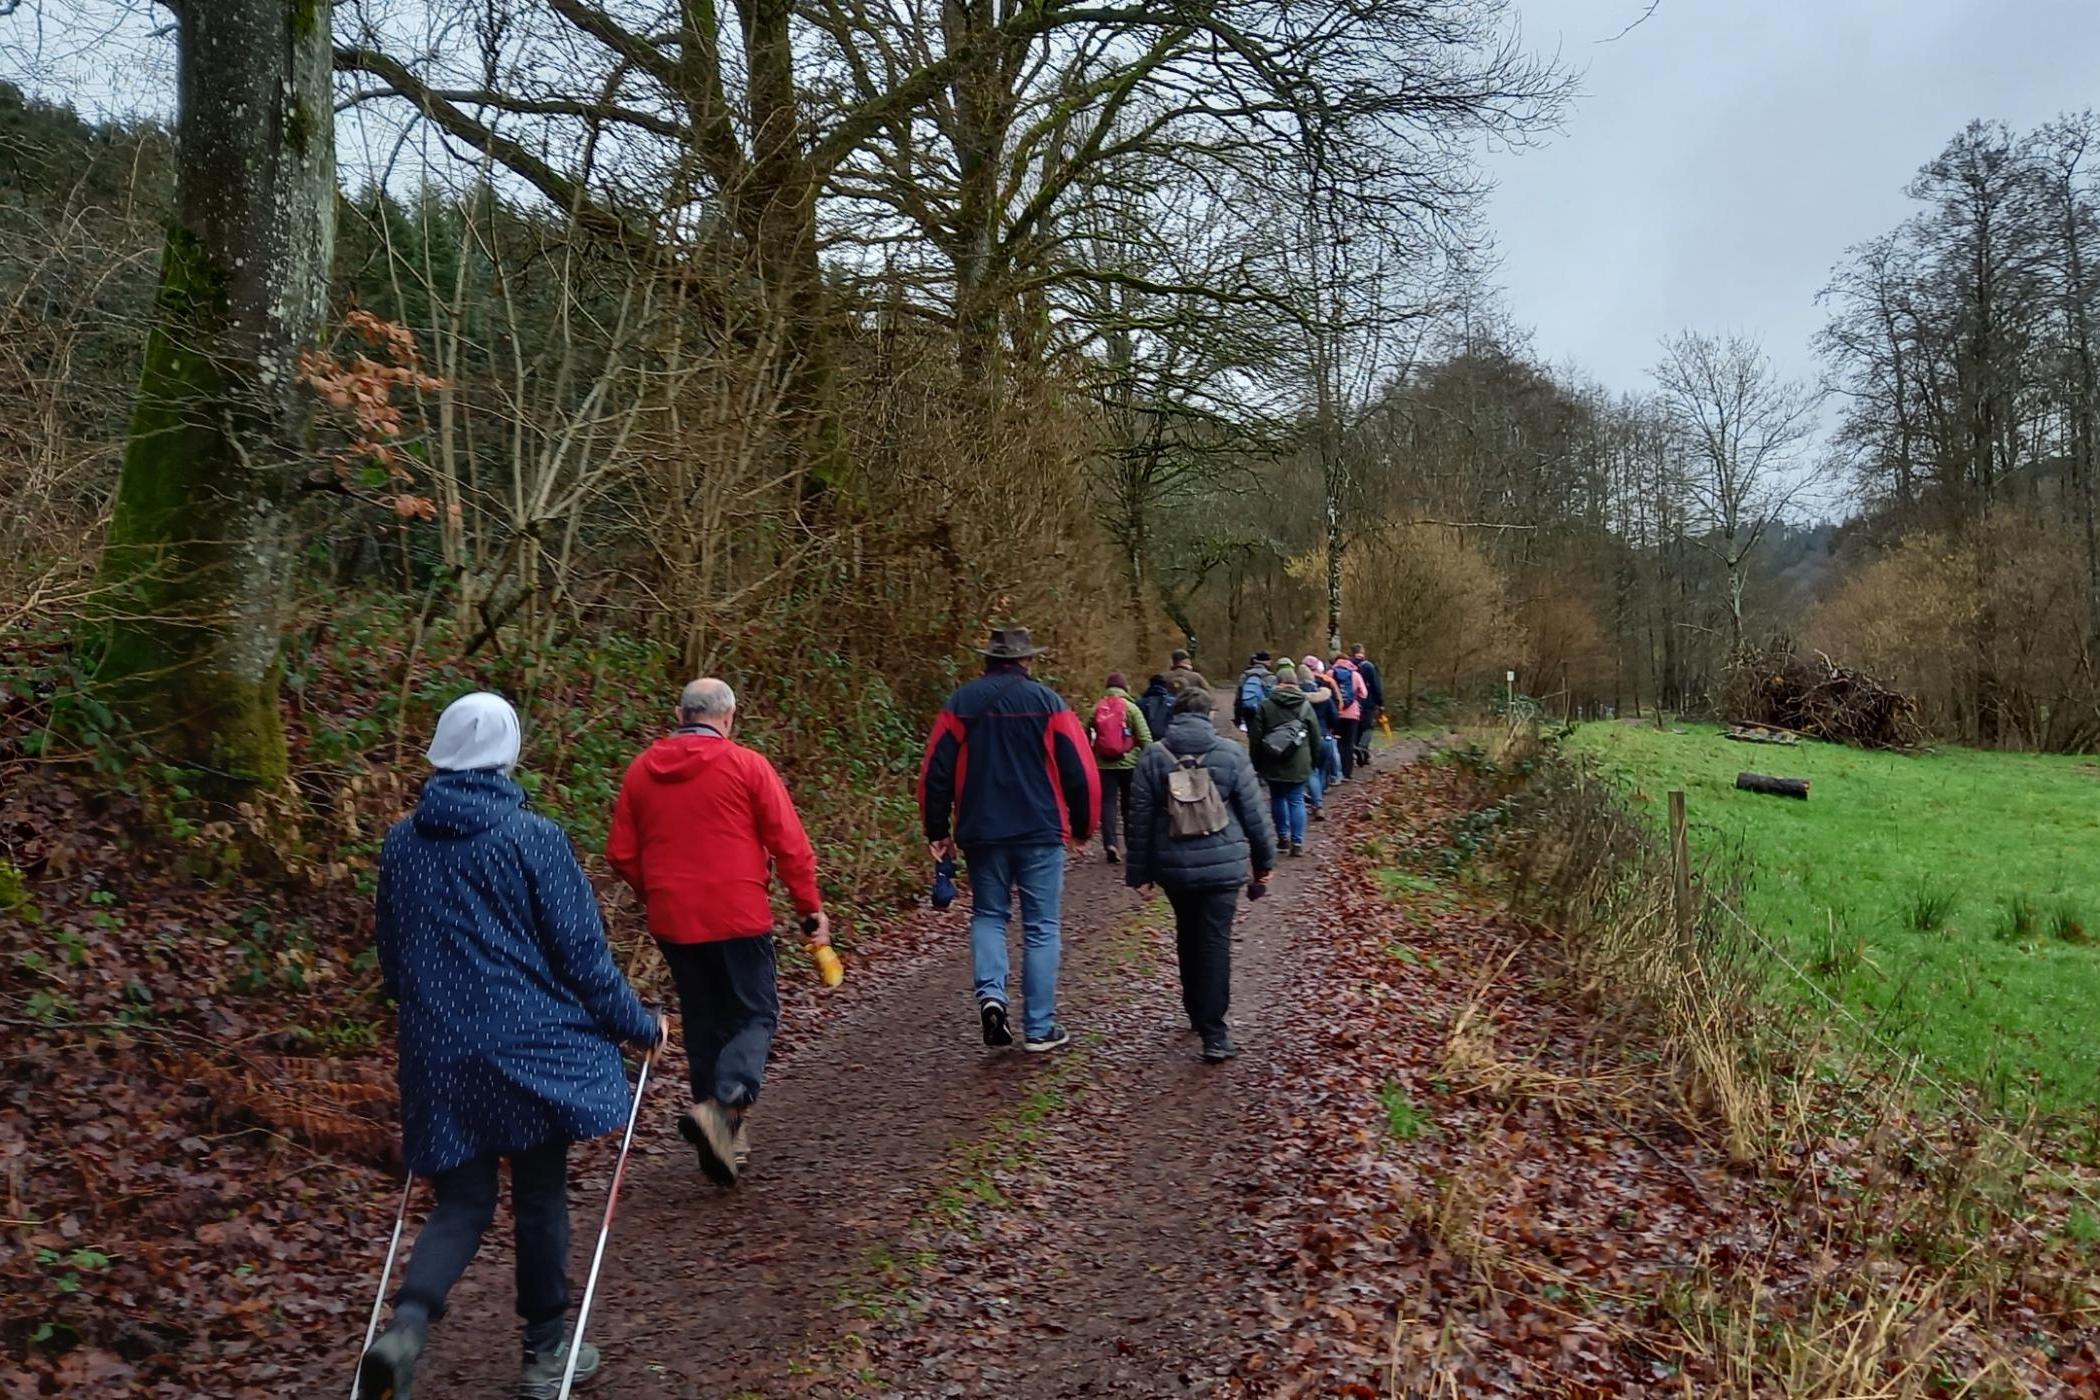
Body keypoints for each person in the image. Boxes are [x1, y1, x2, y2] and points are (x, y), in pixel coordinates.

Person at [360, 693, 665, 1400]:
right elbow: (582, 957)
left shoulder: (402, 843)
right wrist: (640, 1025)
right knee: (539, 1195)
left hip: (438, 1050)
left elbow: (394, 962)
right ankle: (545, 1353)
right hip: (530, 1048)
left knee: (462, 1202)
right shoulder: (532, 838)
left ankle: (406, 1328)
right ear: (507, 753)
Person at [606, 678, 827, 1186]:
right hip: (738, 912)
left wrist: (656, 890)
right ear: (728, 718)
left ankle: (721, 1139)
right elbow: (790, 845)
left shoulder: (641, 771)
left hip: (674, 918)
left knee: (705, 1022)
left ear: (680, 714)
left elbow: (620, 853)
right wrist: (809, 909)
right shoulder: (747, 766)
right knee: (755, 1013)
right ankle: (725, 1103)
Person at [920, 625, 1099, 1053]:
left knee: (989, 915)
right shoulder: (1049, 703)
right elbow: (1081, 771)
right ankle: (1039, 1027)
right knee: (1041, 926)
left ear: (988, 660)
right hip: (1041, 830)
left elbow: (935, 772)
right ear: (1027, 661)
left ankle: (992, 997)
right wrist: (1084, 827)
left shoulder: (960, 704)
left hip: (982, 830)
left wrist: (937, 829)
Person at [1124, 688, 1276, 1062]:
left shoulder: (1153, 756)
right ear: (1208, 715)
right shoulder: (1231, 753)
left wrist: (1139, 873)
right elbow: (1255, 815)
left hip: (1174, 866)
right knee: (1214, 941)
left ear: (1174, 716)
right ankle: (1215, 1033)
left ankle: (1196, 1011)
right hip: (1224, 865)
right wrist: (1264, 863)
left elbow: (1139, 819)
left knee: (1188, 934)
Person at [1248, 667, 1322, 857]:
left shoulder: (1266, 705)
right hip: (1299, 760)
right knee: (1296, 800)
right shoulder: (1305, 705)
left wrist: (1256, 763)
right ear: (1296, 683)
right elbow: (1315, 737)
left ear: (1278, 682)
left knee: (1278, 798)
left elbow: (1255, 737)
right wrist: (1313, 761)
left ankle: (1283, 837)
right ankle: (1297, 843)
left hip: (1272, 758)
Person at [1086, 671, 1154, 864]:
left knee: (1108, 804)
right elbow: (1145, 738)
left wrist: (1092, 756)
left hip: (1103, 765)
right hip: (1129, 764)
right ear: (1125, 687)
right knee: (1129, 804)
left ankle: (1110, 843)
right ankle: (1131, 844)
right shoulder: (1131, 708)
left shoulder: (1096, 708)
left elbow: (1084, 735)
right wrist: (1150, 761)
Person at [1300, 655, 1341, 819]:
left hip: (1308, 738)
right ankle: (1319, 796)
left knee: (1311, 771)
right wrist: (1330, 729)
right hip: (1325, 737)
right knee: (1322, 769)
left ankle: (1317, 803)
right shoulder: (1324, 696)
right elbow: (1335, 717)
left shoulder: (1298, 698)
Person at [1329, 652, 1368, 781]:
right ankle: (1347, 773)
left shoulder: (1330, 674)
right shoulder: (1355, 675)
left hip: (1336, 714)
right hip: (1352, 715)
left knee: (1337, 743)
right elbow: (1364, 694)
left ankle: (1336, 771)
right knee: (1349, 743)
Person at [1350, 643, 1386, 766]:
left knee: (1357, 728)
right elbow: (1376, 686)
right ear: (1362, 651)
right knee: (1368, 728)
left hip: (1352, 703)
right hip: (1367, 702)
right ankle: (1363, 748)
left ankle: (1360, 755)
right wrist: (1380, 702)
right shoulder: (1368, 666)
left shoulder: (1349, 666)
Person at [1233, 651, 1276, 731]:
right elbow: (1272, 698)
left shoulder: (1244, 675)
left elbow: (1238, 698)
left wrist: (1237, 718)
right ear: (1267, 662)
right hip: (1262, 712)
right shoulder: (1270, 677)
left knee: (1250, 733)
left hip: (1247, 710)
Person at [1138, 672, 1176, 742]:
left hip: (1147, 741)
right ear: (1165, 685)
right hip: (1167, 741)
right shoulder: (1174, 702)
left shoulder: (1140, 702)